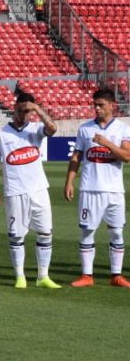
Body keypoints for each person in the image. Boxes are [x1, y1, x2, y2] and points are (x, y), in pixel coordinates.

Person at [0, 93, 60, 289]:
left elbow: (53, 128)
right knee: (17, 235)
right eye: (21, 110)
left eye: (28, 111)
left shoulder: (36, 129)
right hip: (15, 191)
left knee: (45, 233)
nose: (24, 114)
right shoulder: (2, 134)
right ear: (14, 108)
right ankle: (20, 276)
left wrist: (37, 109)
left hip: (39, 190)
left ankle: (43, 276)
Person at [64, 87, 130, 288]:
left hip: (114, 190)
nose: (97, 108)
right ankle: (87, 276)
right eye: (95, 105)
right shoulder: (85, 128)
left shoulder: (122, 128)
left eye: (101, 105)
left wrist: (107, 143)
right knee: (87, 231)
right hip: (90, 188)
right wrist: (69, 181)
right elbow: (76, 157)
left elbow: (127, 156)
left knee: (117, 233)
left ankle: (116, 276)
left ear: (112, 106)